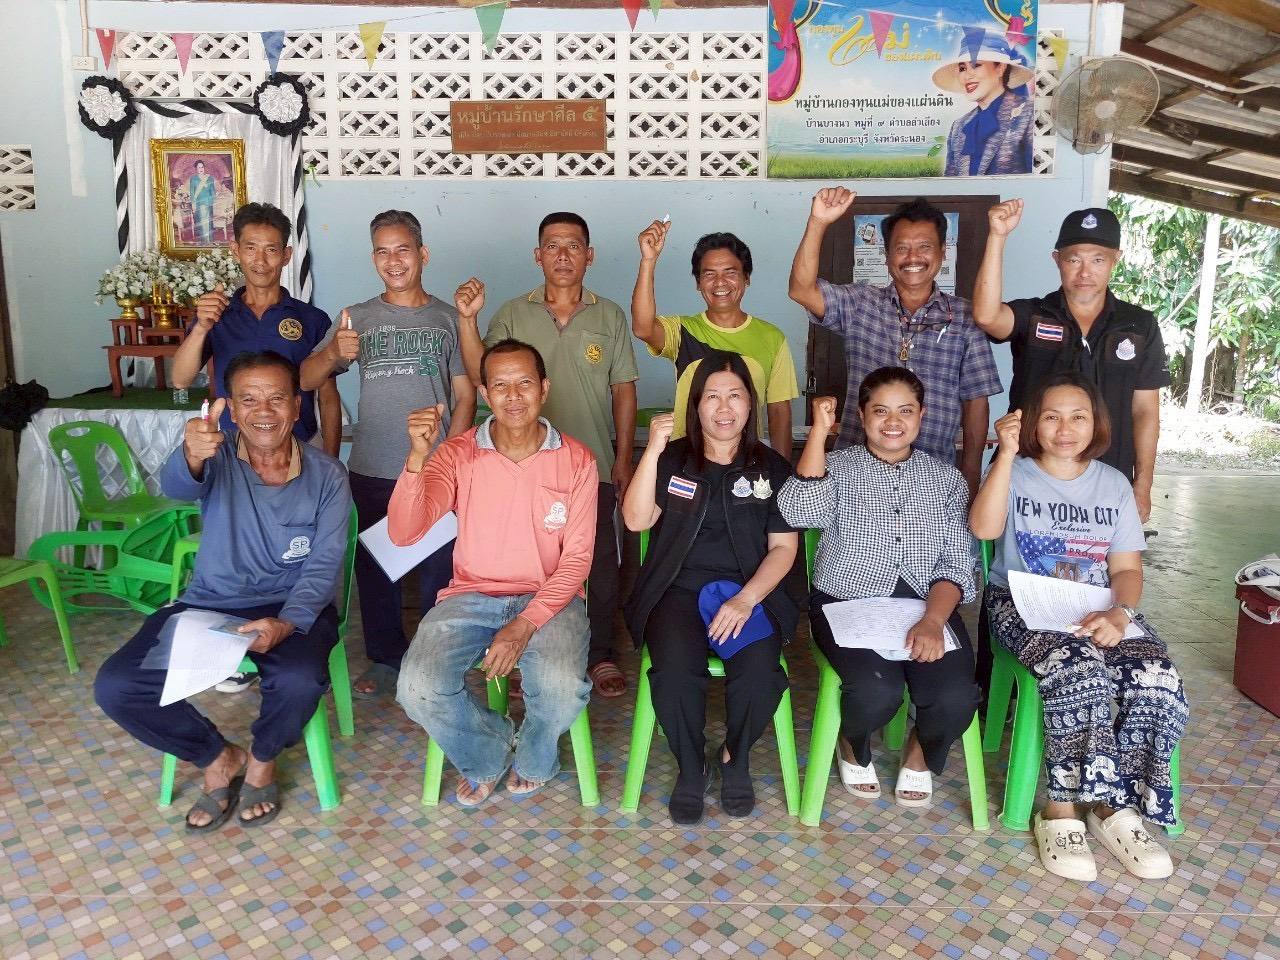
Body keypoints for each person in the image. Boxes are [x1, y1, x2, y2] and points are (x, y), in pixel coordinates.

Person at [93, 352, 352, 831]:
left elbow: (323, 565)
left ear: (297, 406)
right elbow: (178, 487)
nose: (263, 411)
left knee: (299, 679)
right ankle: (216, 756)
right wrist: (191, 453)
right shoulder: (215, 456)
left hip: (293, 605)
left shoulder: (328, 475)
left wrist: (288, 622)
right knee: (117, 686)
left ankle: (263, 759)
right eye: (248, 400)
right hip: (210, 603)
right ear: (231, 409)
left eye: (277, 398)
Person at [970, 372, 1187, 882]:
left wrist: (1119, 614)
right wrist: (1005, 454)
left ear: (1096, 424)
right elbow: (982, 528)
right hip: (1021, 602)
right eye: (1051, 417)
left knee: (1156, 674)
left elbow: (1126, 569)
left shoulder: (1112, 484)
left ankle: (1117, 807)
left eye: (1078, 417)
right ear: (1031, 424)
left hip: (1096, 606)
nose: (1065, 429)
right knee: (1077, 670)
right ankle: (1060, 810)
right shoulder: (1015, 470)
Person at [393, 339, 597, 806]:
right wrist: (417, 458)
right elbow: (405, 533)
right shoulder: (456, 454)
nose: (513, 396)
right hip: (470, 596)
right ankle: (489, 750)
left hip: (550, 598)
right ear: (485, 394)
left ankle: (535, 758)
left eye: (524, 383)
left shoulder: (577, 460)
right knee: (417, 688)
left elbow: (576, 561)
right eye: (500, 386)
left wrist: (523, 625)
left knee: (563, 689)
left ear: (544, 388)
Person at [779, 367, 980, 807]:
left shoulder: (946, 479)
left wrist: (933, 620)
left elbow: (957, 563)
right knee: (875, 691)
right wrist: (819, 434)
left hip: (927, 605)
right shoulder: (837, 467)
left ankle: (919, 754)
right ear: (862, 415)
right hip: (847, 601)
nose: (893, 421)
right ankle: (851, 745)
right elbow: (798, 513)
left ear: (922, 415)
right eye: (880, 410)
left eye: (905, 411)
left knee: (956, 696)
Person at [456, 212, 637, 699]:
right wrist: (468, 321)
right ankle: (522, 657)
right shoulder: (514, 314)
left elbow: (623, 390)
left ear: (589, 255)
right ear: (538, 256)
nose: (562, 255)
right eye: (552, 246)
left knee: (598, 564)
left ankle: (599, 653)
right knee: (526, 565)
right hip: (521, 466)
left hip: (592, 464)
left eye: (573, 245)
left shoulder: (610, 316)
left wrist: (622, 458)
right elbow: (481, 373)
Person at [301, 210, 476, 702]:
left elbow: (466, 394)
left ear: (423, 254)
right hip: (373, 467)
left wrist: (450, 456)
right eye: (382, 251)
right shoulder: (355, 317)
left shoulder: (448, 318)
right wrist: (334, 353)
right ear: (373, 258)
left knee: (441, 569)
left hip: (435, 469)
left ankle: (436, 658)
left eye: (403, 250)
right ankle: (384, 657)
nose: (393, 260)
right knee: (377, 569)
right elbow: (306, 378)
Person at [173, 202, 343, 694]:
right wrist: (201, 326)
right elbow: (181, 379)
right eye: (251, 248)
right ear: (236, 251)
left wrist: (331, 461)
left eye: (272, 249)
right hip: (232, 457)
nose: (261, 259)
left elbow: (326, 393)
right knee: (238, 554)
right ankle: (226, 647)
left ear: (287, 255)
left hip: (298, 452)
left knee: (298, 558)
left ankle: (293, 637)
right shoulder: (218, 314)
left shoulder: (309, 318)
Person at [622, 351, 797, 825]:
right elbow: (636, 520)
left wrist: (746, 598)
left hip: (747, 593)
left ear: (750, 404)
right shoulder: (674, 459)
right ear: (695, 405)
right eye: (712, 397)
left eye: (735, 396)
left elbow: (783, 549)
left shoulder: (772, 468)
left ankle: (734, 756)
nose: (723, 408)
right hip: (676, 592)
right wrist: (652, 451)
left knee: (760, 673)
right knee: (675, 672)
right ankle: (691, 763)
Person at [788, 188, 1002, 497]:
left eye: (924, 247)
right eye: (902, 248)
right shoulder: (861, 303)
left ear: (943, 252)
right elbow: (801, 290)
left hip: (932, 478)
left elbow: (976, 402)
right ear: (887, 255)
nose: (913, 257)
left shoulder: (965, 318)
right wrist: (818, 222)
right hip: (856, 476)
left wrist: (969, 473)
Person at [972, 201, 1168, 522]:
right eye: (1074, 259)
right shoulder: (1035, 315)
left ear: (1115, 259)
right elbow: (986, 316)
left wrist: (1143, 485)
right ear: (1057, 260)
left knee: (1101, 555)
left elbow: (1146, 411)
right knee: (1018, 552)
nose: (1085, 272)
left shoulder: (1139, 325)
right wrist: (997, 236)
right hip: (1030, 475)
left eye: (1098, 259)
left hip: (1108, 475)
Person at [632, 221, 799, 460]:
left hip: (746, 464)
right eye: (709, 274)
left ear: (746, 278)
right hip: (687, 462)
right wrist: (648, 261)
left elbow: (779, 412)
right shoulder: (682, 330)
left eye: (730, 273)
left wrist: (782, 470)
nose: (720, 283)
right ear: (698, 283)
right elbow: (642, 328)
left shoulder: (772, 337)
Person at [932, 32, 1034, 177]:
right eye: (962, 68)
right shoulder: (959, 126)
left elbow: (1037, 180)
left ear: (1000, 68)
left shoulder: (1029, 113)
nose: (967, 76)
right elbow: (951, 183)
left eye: (976, 65)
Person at [188, 160, 217, 245]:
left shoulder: (210, 178)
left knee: (208, 222)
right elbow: (192, 192)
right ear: (196, 169)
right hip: (198, 204)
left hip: (208, 204)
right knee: (201, 222)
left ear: (204, 168)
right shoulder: (193, 179)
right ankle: (203, 241)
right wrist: (193, 204)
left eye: (202, 167)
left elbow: (213, 192)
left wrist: (211, 201)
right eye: (199, 167)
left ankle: (209, 240)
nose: (201, 169)